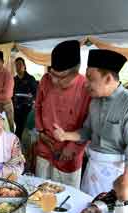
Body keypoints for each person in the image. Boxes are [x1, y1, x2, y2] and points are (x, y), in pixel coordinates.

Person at [53, 49, 128, 197]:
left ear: (108, 79)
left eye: (90, 78)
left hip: (117, 173)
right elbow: (87, 131)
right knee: (85, 208)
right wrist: (65, 135)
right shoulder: (95, 102)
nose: (85, 84)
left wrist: (127, 178)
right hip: (93, 166)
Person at [33, 40, 91, 188]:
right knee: (41, 190)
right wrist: (41, 132)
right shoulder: (45, 81)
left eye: (61, 77)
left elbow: (88, 125)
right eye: (53, 74)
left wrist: (72, 148)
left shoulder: (85, 88)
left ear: (76, 70)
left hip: (69, 152)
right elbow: (38, 106)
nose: (55, 81)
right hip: (46, 145)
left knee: (67, 196)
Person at [12, 57, 39, 139]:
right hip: (16, 109)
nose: (18, 67)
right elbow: (11, 94)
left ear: (24, 66)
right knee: (19, 127)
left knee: (23, 130)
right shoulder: (14, 80)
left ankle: (21, 147)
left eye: (20, 64)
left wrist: (32, 98)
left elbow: (36, 94)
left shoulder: (30, 79)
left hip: (27, 109)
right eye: (16, 65)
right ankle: (18, 147)